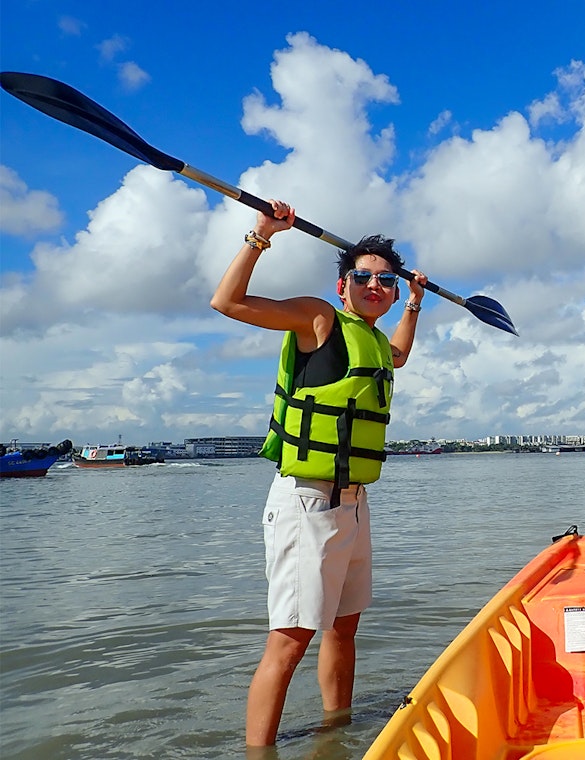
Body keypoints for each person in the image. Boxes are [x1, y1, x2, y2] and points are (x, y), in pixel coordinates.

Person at [210, 199, 428, 747]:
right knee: (289, 640)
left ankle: (336, 734)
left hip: (353, 503)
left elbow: (398, 355)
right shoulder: (319, 318)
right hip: (306, 502)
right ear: (342, 285)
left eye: (387, 280)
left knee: (344, 626)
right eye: (363, 276)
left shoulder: (377, 341)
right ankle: (259, 754)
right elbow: (227, 302)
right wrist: (262, 234)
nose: (375, 285)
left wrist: (417, 308)